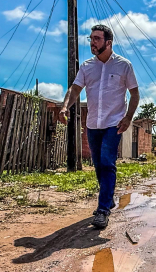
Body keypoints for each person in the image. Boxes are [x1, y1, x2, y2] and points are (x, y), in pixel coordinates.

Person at [60, 25, 139, 229]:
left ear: (108, 42)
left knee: (106, 161)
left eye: (97, 38)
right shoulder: (87, 66)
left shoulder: (124, 65)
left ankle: (103, 210)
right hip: (93, 124)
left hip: (114, 123)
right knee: (97, 164)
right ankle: (108, 198)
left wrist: (128, 118)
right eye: (91, 38)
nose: (92, 42)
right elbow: (75, 89)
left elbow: (134, 94)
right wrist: (65, 107)